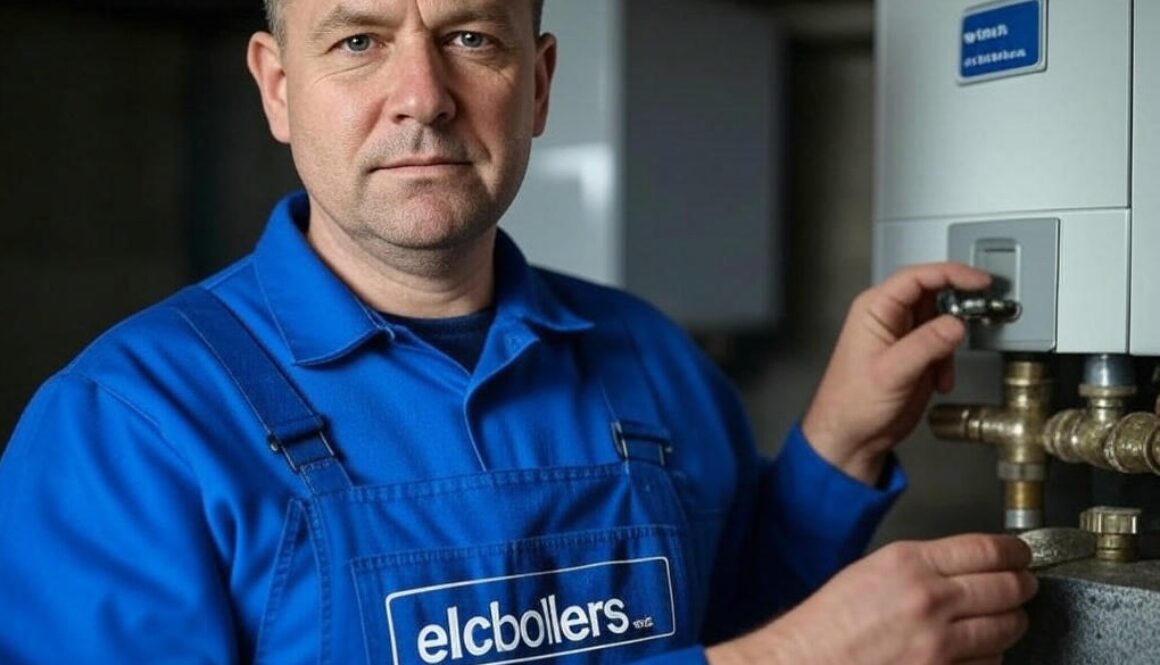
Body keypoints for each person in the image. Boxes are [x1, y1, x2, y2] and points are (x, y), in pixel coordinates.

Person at [0, 0, 1036, 663]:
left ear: (536, 83)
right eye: (358, 42)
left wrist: (838, 447)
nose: (422, 98)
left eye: (468, 39)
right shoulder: (126, 428)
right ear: (279, 86)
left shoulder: (646, 357)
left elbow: (737, 613)